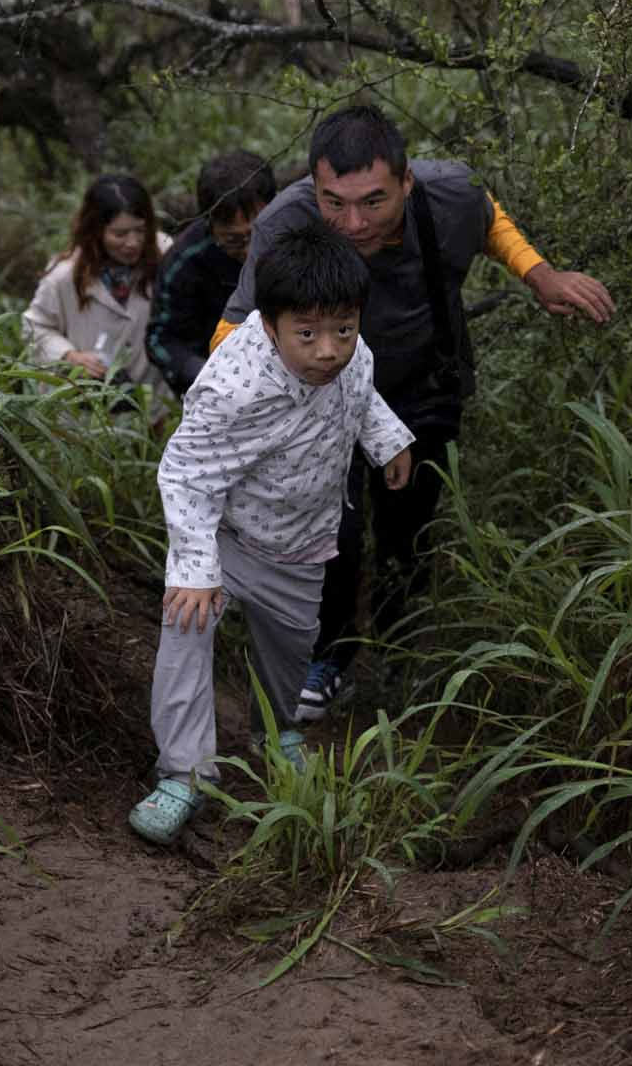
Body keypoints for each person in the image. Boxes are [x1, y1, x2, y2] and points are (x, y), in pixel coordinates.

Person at [211, 104, 614, 721]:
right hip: (321, 400)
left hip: (424, 384)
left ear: (406, 182)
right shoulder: (287, 221)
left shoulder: (448, 193)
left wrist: (539, 274)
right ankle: (331, 656)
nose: (352, 222)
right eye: (334, 202)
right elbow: (235, 324)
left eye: (373, 202)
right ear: (313, 187)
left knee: (408, 529)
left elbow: (488, 217)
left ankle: (398, 651)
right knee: (332, 532)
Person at [130, 223, 414, 846]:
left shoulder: (352, 354)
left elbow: (361, 395)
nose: (328, 350)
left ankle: (277, 730)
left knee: (290, 653)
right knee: (185, 630)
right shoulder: (235, 388)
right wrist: (197, 569)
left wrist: (387, 439)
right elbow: (185, 473)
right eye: (306, 334)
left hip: (301, 543)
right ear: (268, 325)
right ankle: (182, 773)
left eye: (343, 327)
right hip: (226, 541)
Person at [21, 174, 175, 399]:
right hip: (86, 413)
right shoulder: (64, 276)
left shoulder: (166, 255)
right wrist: (70, 356)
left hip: (153, 405)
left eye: (140, 230)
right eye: (119, 234)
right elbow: (34, 328)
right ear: (95, 231)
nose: (132, 243)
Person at [146, 150, 278, 396]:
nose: (251, 251)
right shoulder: (184, 261)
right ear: (210, 223)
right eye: (234, 240)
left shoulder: (301, 230)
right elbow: (161, 340)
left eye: (259, 234)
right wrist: (206, 375)